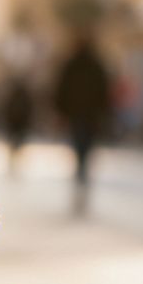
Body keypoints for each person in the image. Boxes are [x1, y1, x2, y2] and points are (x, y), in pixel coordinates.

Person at [53, 32, 113, 214]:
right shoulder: (96, 65)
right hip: (90, 117)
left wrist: (61, 112)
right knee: (85, 150)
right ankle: (82, 178)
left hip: (78, 116)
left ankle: (81, 178)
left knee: (80, 149)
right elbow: (104, 93)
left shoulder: (72, 64)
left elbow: (60, 90)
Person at [0, 75, 34, 175]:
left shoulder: (13, 97)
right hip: (18, 124)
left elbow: (7, 110)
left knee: (15, 143)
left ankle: (14, 160)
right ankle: (15, 159)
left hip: (15, 124)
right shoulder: (25, 96)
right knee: (17, 142)